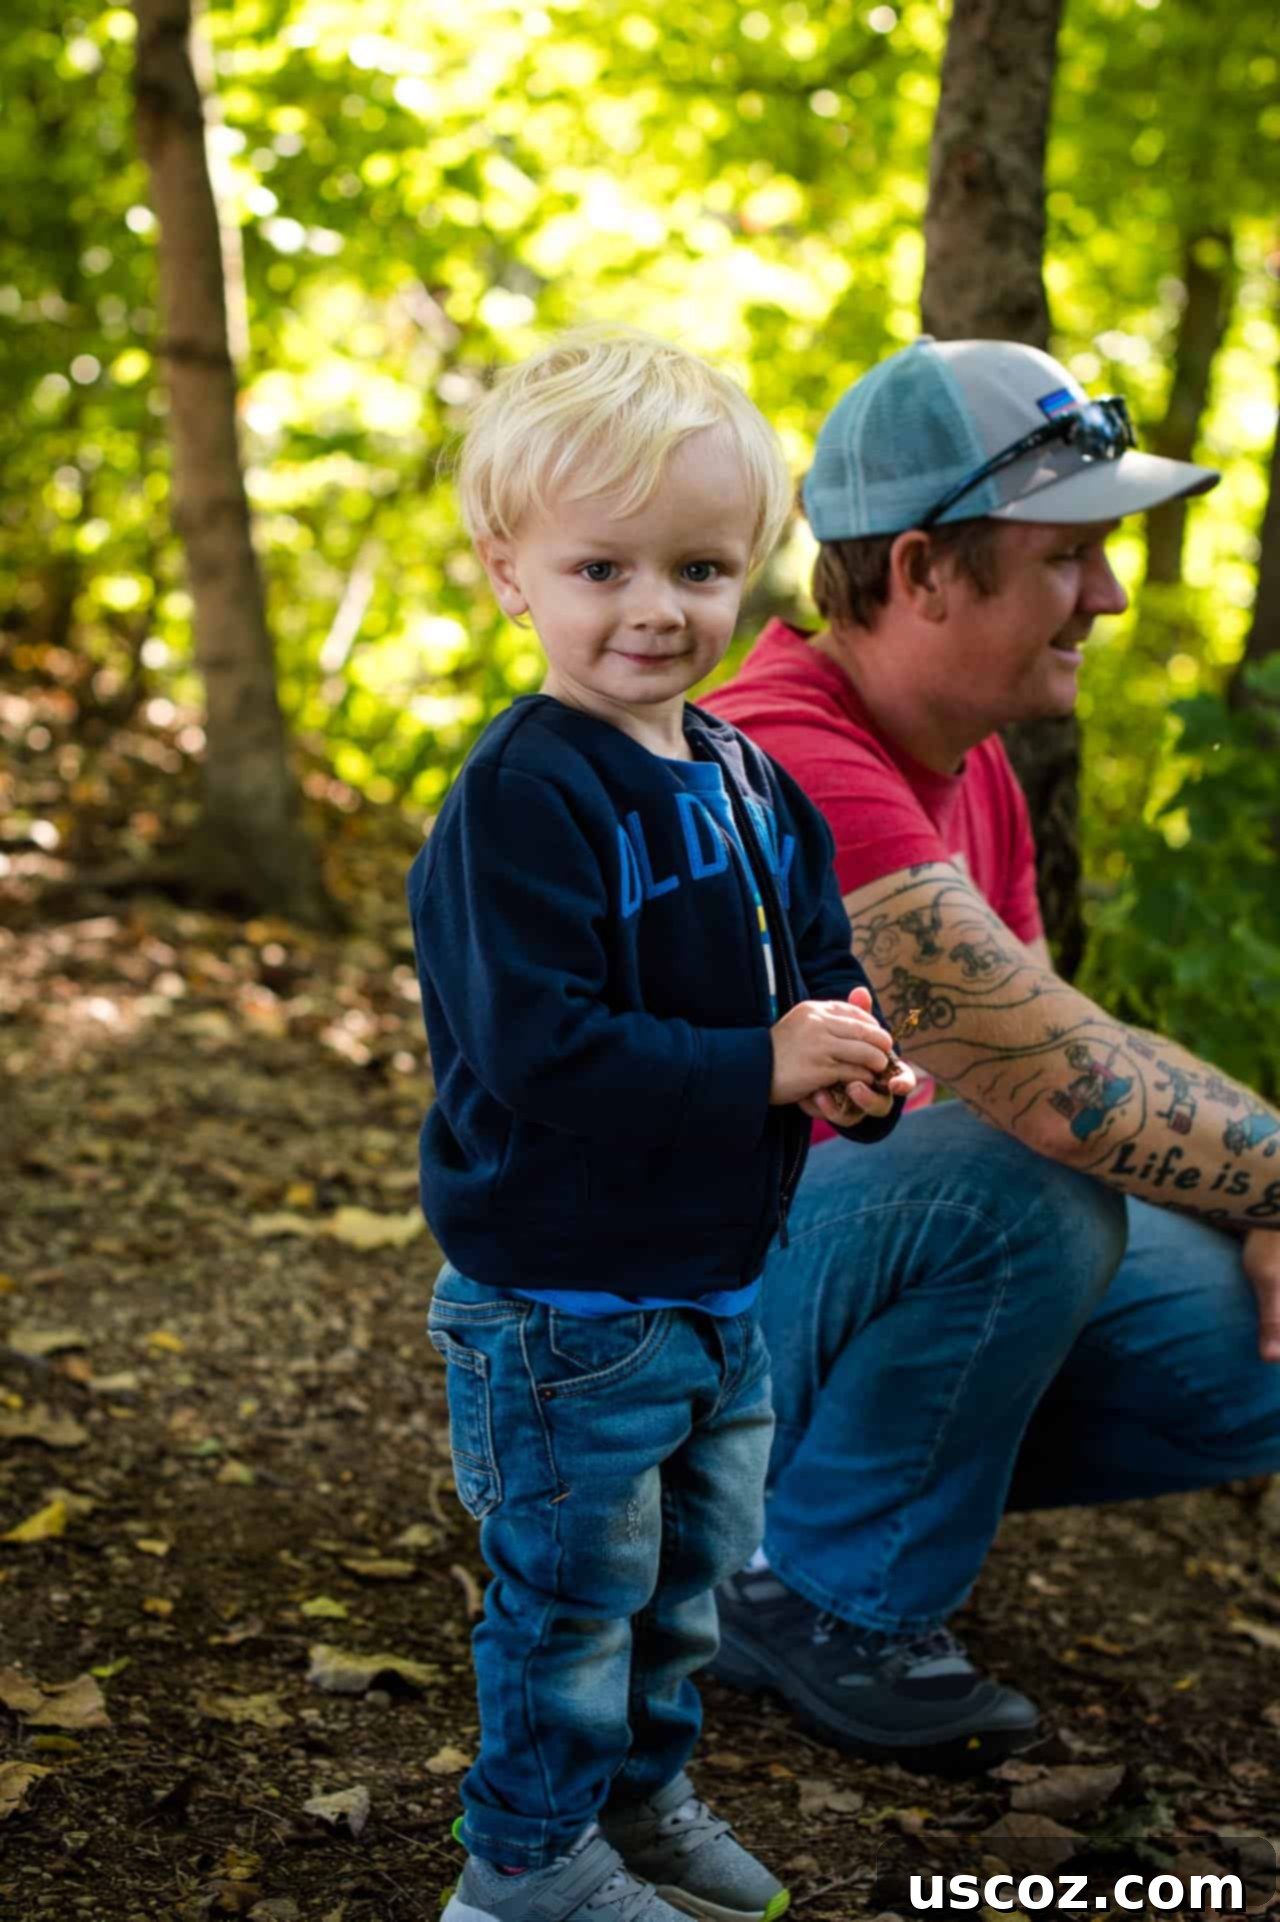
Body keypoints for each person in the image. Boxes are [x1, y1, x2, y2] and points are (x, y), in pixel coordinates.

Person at [702, 335, 1280, 1773]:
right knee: (1020, 1186)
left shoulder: (970, 771)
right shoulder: (783, 755)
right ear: (920, 571)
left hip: (806, 1280)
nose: (1111, 594)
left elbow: (1059, 1056)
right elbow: (1056, 1092)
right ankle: (807, 1589)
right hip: (660, 1334)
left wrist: (1259, 1204)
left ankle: (826, 1516)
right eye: (1067, 556)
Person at [407, 327, 913, 1922]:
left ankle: (639, 1803)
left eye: (698, 568)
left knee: (685, 1580)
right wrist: (758, 1065)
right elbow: (539, 1048)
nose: (655, 607)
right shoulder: (523, 796)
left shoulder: (750, 779)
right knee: (573, 1592)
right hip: (563, 1300)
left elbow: (816, 967)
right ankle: (523, 1863)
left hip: (710, 1280)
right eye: (601, 567)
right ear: (511, 572)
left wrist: (849, 1065)